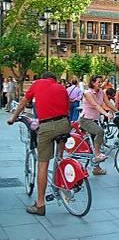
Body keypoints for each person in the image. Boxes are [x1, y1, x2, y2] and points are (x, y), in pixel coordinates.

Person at [7, 71, 71, 216]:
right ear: (54, 79)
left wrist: (13, 117)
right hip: (65, 124)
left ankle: (40, 204)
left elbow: (24, 101)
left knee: (43, 164)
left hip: (47, 127)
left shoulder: (38, 83)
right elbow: (67, 107)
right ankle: (61, 180)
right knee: (60, 157)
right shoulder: (61, 87)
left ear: (43, 78)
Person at [79, 75, 117, 175]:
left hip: (94, 119)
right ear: (92, 82)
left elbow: (108, 103)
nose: (100, 84)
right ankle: (97, 154)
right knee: (100, 132)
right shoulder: (88, 93)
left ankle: (96, 168)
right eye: (98, 82)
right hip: (86, 120)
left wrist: (118, 111)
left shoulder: (101, 92)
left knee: (93, 142)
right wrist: (106, 114)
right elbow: (95, 105)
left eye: (101, 82)